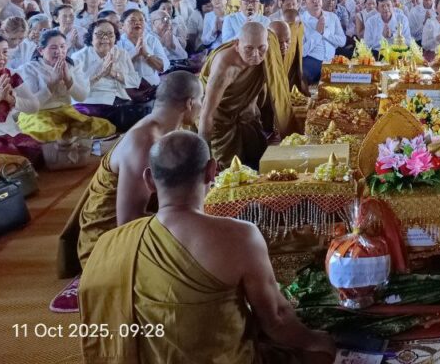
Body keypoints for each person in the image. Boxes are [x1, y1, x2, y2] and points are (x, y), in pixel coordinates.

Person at [79, 131, 337, 363]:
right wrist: (317, 341)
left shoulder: (109, 243)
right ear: (212, 171)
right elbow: (277, 320)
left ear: (149, 180)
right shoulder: (240, 236)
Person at [66, 71, 204, 280]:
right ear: (190, 103)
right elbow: (128, 221)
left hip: (143, 223)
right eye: (201, 99)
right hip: (108, 244)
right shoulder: (145, 141)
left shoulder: (163, 129)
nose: (202, 105)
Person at [199, 22, 290, 167]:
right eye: (249, 49)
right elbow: (206, 113)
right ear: (237, 45)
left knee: (261, 159)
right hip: (221, 119)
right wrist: (204, 159)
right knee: (231, 170)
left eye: (261, 48)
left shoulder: (269, 52)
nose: (256, 55)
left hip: (248, 115)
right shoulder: (224, 67)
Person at [70, 20, 142, 127]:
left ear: (115, 37)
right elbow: (77, 90)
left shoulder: (122, 54)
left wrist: (115, 74)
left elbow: (135, 82)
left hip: (118, 100)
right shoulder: (78, 57)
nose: (105, 38)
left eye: (110, 34)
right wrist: (100, 73)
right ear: (91, 37)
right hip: (90, 102)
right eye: (99, 34)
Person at [0, 31, 41, 161]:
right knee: (13, 160)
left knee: (38, 152)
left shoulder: (11, 75)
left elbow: (34, 106)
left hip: (10, 131)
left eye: (5, 52)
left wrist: (10, 99)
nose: (1, 58)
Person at [299, 0, 346, 84]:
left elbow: (342, 41)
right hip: (311, 61)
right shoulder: (301, 21)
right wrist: (317, 33)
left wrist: (325, 33)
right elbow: (302, 51)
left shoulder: (332, 17)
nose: (315, 0)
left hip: (332, 61)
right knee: (303, 76)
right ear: (304, 3)